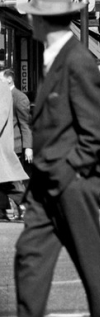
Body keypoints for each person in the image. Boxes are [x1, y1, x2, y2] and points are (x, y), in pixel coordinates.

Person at [14, 0, 100, 317]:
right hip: (46, 187)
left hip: (70, 185)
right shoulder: (52, 57)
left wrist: (73, 176)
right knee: (30, 258)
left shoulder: (77, 60)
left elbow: (96, 132)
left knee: (94, 270)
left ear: (41, 19)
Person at [0, 76, 28, 222]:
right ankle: (3, 210)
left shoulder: (2, 88)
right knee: (5, 179)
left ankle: (27, 206)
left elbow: (1, 115)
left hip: (1, 145)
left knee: (8, 180)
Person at [2, 69, 32, 174]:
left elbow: (25, 124)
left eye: (0, 79)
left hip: (14, 147)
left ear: (9, 80)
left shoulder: (20, 98)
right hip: (3, 146)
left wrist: (28, 147)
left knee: (15, 181)